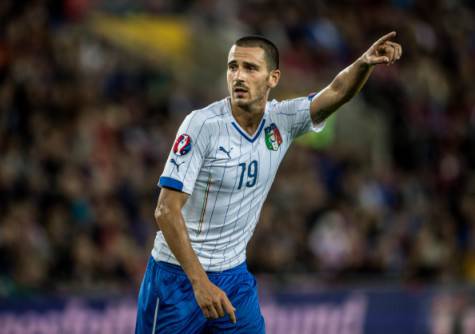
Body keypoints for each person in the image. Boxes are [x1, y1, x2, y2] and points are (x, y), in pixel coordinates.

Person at [135, 32, 402, 333]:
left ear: (273, 78)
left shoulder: (282, 121)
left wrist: (365, 63)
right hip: (177, 276)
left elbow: (337, 90)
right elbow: (166, 210)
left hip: (234, 276)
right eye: (233, 66)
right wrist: (200, 282)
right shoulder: (202, 126)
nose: (238, 76)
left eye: (250, 68)